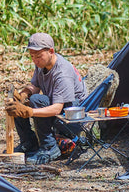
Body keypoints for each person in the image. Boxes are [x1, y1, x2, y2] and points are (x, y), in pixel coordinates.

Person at [5, 33, 87, 164]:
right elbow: (35, 86)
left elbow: (57, 108)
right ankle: (29, 142)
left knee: (36, 100)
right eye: (32, 56)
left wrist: (29, 111)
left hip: (73, 118)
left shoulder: (62, 72)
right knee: (18, 104)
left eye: (38, 56)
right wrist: (23, 94)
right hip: (58, 106)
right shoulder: (41, 64)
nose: (35, 60)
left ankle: (49, 147)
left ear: (51, 51)